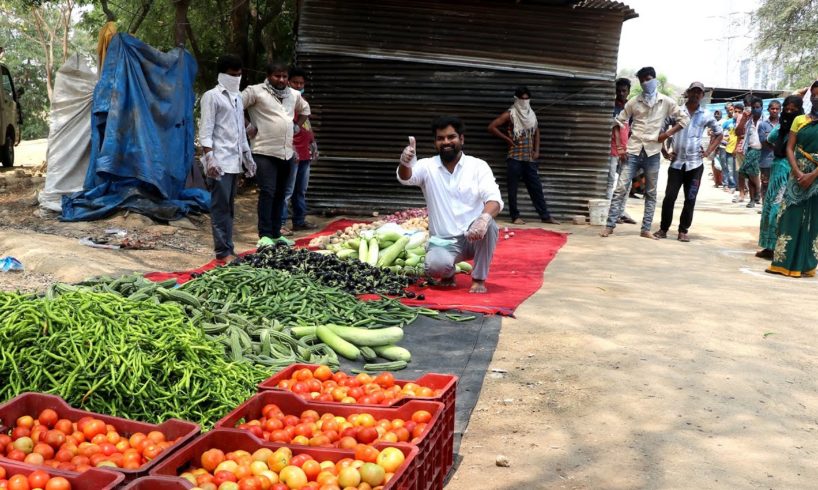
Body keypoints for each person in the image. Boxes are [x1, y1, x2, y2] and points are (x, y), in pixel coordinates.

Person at [398, 116, 503, 293]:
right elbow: (406, 178)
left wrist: (483, 219)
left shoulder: (478, 166)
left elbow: (494, 199)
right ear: (435, 143)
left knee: (490, 225)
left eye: (451, 137)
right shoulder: (427, 166)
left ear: (461, 139)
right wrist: (405, 163)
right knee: (434, 267)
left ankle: (478, 279)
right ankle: (448, 273)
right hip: (444, 240)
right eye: (440, 138)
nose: (446, 142)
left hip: (474, 235)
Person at [601, 66, 689, 239]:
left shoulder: (666, 102)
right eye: (642, 80)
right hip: (633, 151)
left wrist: (666, 134)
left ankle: (646, 228)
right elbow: (617, 123)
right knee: (620, 189)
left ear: (654, 79)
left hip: (653, 153)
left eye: (648, 79)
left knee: (651, 192)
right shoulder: (634, 101)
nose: (645, 83)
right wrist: (620, 147)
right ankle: (609, 226)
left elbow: (684, 119)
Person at [242, 61, 310, 243]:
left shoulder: (293, 94)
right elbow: (235, 107)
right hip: (264, 151)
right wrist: (247, 126)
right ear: (268, 76)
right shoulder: (255, 91)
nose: (281, 79)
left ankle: (276, 234)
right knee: (268, 192)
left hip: (286, 152)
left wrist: (296, 126)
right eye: (277, 76)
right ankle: (264, 235)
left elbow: (305, 110)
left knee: (281, 193)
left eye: (284, 76)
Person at [198, 54, 256, 263]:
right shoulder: (211, 97)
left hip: (234, 161)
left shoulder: (237, 97)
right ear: (222, 75)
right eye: (233, 75)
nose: (236, 78)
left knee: (230, 208)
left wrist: (248, 158)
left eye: (239, 74)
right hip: (219, 162)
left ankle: (229, 247)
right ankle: (222, 252)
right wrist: (210, 159)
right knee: (220, 208)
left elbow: (240, 131)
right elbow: (205, 130)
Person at [654, 82, 722, 242]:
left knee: (690, 198)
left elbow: (719, 134)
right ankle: (663, 229)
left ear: (702, 95)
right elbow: (660, 130)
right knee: (669, 197)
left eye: (700, 92)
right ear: (688, 92)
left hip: (695, 165)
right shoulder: (677, 111)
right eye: (694, 91)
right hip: (677, 163)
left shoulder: (705, 114)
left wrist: (707, 152)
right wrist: (664, 151)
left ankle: (683, 231)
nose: (696, 95)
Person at [766, 81, 818, 277]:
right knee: (789, 215)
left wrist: (813, 175)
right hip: (796, 174)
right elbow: (790, 147)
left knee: (813, 219)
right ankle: (783, 262)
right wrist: (797, 173)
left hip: (816, 178)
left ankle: (805, 265)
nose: (816, 98)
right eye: (813, 95)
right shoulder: (800, 120)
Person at [488, 86, 558, 225]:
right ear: (517, 99)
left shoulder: (531, 114)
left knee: (536, 187)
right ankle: (515, 216)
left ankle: (545, 216)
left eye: (527, 99)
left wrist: (536, 151)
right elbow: (492, 127)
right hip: (514, 157)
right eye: (522, 99)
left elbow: (536, 132)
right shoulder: (511, 113)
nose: (525, 101)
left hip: (529, 157)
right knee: (512, 188)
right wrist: (508, 140)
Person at [756, 95, 803, 259]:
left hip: (793, 170)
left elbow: (770, 140)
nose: (789, 112)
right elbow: (769, 140)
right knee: (771, 206)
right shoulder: (782, 127)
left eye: (793, 109)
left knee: (780, 207)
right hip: (777, 168)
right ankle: (769, 246)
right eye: (787, 109)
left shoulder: (802, 126)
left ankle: (780, 247)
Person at [280, 66, 318, 235]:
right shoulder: (285, 102)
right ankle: (280, 223)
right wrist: (291, 147)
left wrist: (313, 143)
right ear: (288, 82)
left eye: (301, 83)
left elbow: (305, 125)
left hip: (305, 153)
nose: (298, 85)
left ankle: (299, 221)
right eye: (295, 82)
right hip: (291, 153)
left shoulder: (301, 102)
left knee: (300, 191)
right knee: (286, 191)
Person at [608, 78, 636, 224]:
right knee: (611, 181)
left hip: (627, 149)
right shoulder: (610, 106)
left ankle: (621, 212)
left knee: (626, 183)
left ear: (628, 92)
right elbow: (615, 128)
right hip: (613, 149)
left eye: (624, 91)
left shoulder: (631, 108)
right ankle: (610, 211)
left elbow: (632, 129)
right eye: (618, 90)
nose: (621, 93)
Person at [738, 97, 765, 208]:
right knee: (749, 174)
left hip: (761, 150)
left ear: (762, 108)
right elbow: (738, 132)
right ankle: (753, 199)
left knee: (749, 172)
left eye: (757, 107)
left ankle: (758, 192)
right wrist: (743, 118)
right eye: (753, 107)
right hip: (749, 149)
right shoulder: (748, 120)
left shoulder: (765, 120)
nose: (755, 109)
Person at [758, 100, 781, 200]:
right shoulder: (763, 125)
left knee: (779, 184)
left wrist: (770, 139)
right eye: (772, 108)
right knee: (765, 183)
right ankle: (765, 207)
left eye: (777, 109)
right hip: (766, 160)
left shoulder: (784, 124)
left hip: (780, 160)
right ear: (768, 110)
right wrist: (778, 146)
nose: (775, 111)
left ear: (780, 110)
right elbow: (763, 142)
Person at [733, 98, 753, 203]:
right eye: (746, 104)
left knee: (753, 173)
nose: (748, 106)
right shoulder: (740, 117)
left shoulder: (759, 117)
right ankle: (742, 193)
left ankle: (753, 194)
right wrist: (744, 118)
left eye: (750, 104)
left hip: (753, 148)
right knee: (741, 171)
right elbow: (738, 132)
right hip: (741, 147)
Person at [722, 103, 738, 192]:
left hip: (738, 148)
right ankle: (731, 185)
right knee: (729, 168)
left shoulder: (741, 121)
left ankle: (738, 185)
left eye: (733, 110)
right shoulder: (727, 122)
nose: (731, 112)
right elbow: (720, 132)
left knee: (738, 169)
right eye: (730, 110)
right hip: (728, 148)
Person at [711, 110, 724, 187]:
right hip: (713, 145)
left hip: (720, 146)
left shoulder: (722, 122)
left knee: (719, 165)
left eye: (718, 114)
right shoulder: (713, 123)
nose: (716, 115)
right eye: (715, 114)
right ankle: (716, 181)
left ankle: (720, 181)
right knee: (714, 164)